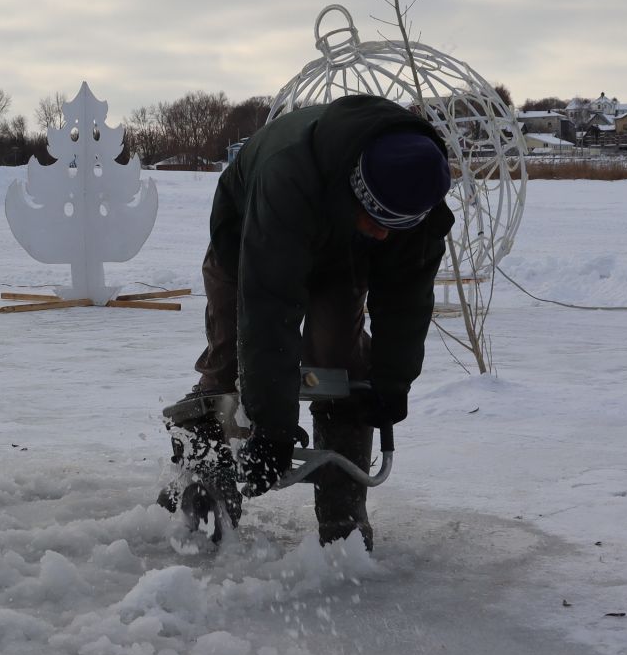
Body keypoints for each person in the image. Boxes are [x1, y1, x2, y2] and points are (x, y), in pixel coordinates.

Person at [162, 93, 453, 549]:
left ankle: (343, 525)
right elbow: (268, 310)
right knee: (232, 356)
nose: (382, 231)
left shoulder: (415, 195)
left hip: (341, 253)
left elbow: (406, 299)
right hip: (248, 240)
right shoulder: (288, 175)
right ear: (356, 186)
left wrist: (391, 384)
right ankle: (203, 476)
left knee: (341, 366)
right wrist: (272, 427)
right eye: (375, 217)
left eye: (393, 225)